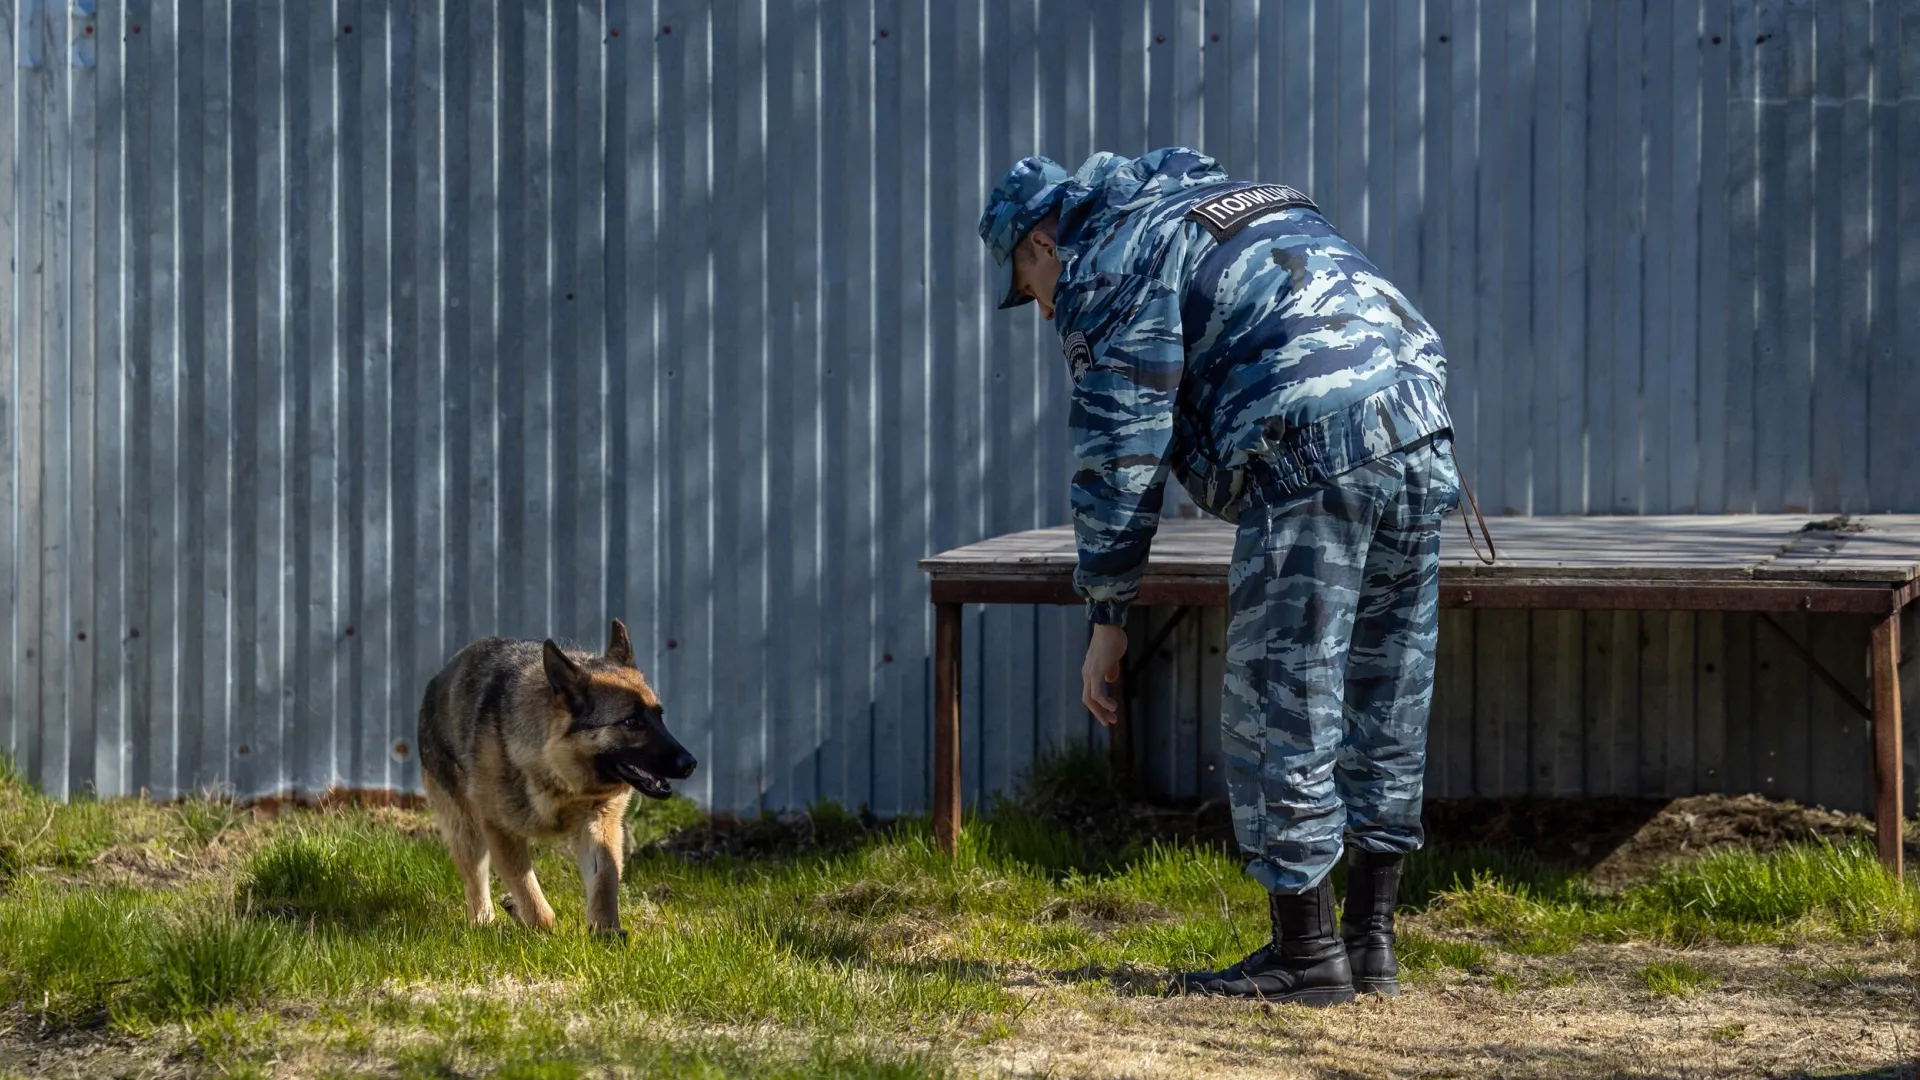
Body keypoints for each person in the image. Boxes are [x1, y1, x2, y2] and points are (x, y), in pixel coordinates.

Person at [979, 148, 1469, 1006]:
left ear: (1042, 243)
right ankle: (1371, 942)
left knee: (1285, 698)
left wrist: (1107, 615)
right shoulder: (1219, 197)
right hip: (1420, 427)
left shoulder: (1111, 261)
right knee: (1388, 690)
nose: (1043, 307)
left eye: (1030, 287)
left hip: (1313, 452)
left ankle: (1307, 957)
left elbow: (1118, 457)